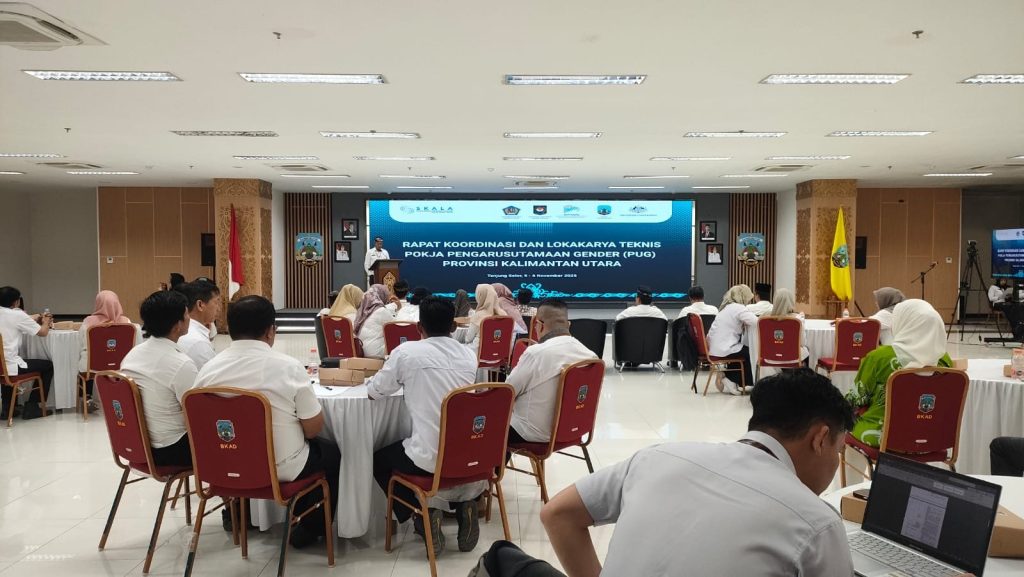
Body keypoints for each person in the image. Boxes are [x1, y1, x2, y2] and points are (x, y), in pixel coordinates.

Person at [539, 369, 855, 577]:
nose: (835, 462)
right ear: (820, 439)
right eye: (838, 449)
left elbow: (557, 513)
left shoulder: (658, 457)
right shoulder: (816, 522)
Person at [194, 296, 340, 549]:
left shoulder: (208, 370)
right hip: (280, 468)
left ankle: (240, 514)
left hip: (222, 465)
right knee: (331, 453)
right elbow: (313, 428)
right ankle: (309, 527)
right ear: (271, 331)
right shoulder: (288, 367)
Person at [370, 296, 483, 556]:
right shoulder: (469, 357)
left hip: (429, 458)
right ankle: (464, 505)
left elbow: (376, 391)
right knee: (441, 448)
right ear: (453, 326)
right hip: (469, 454)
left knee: (379, 460)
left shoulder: (406, 353)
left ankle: (420, 514)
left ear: (419, 327)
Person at [846, 299, 952, 448]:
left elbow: (856, 399)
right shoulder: (944, 360)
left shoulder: (880, 357)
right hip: (933, 438)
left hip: (883, 436)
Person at [119, 290, 197, 467]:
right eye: (186, 314)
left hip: (138, 444)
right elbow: (197, 412)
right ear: (177, 325)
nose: (189, 318)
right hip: (170, 449)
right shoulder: (180, 364)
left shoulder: (132, 355)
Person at [506, 299, 597, 443]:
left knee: (489, 427)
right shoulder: (590, 355)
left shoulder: (536, 353)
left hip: (532, 432)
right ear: (568, 325)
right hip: (575, 429)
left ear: (539, 325)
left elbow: (508, 391)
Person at [0, 286, 52, 420]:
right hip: (10, 366)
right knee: (48, 366)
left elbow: (17, 320)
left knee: (5, 365)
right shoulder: (17, 315)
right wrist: (46, 322)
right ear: (16, 302)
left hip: (1, 366)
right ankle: (33, 407)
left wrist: (32, 317)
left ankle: (7, 409)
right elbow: (43, 332)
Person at [707, 284, 758, 395]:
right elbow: (756, 322)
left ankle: (732, 379)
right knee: (750, 353)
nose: (748, 302)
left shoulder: (726, 308)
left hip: (714, 348)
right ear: (743, 297)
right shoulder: (738, 308)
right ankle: (733, 379)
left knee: (741, 350)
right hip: (724, 349)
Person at [175, 280, 222, 371]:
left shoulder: (181, 329)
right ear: (200, 305)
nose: (219, 308)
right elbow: (211, 375)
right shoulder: (198, 343)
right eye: (216, 302)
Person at [458, 284, 506, 350]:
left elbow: (468, 339)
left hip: (477, 352)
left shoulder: (478, 316)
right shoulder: (504, 315)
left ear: (480, 296)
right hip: (499, 352)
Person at [354, 284, 396, 358]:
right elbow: (395, 327)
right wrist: (398, 309)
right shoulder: (381, 311)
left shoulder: (363, 311)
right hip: (376, 352)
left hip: (362, 350)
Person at [769, 288, 809, 364]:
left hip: (770, 356)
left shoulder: (765, 320)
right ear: (791, 301)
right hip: (792, 357)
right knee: (806, 350)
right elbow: (802, 343)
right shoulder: (797, 320)